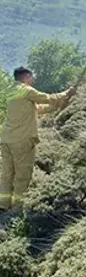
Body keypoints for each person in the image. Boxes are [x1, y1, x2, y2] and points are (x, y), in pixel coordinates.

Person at [0, 67, 76, 212]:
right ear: (27, 76)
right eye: (31, 78)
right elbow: (47, 98)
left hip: (6, 139)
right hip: (21, 140)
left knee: (6, 174)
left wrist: (59, 104)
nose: (32, 81)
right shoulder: (26, 90)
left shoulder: (12, 91)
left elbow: (38, 108)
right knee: (22, 175)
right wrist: (67, 93)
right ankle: (17, 208)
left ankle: (3, 204)